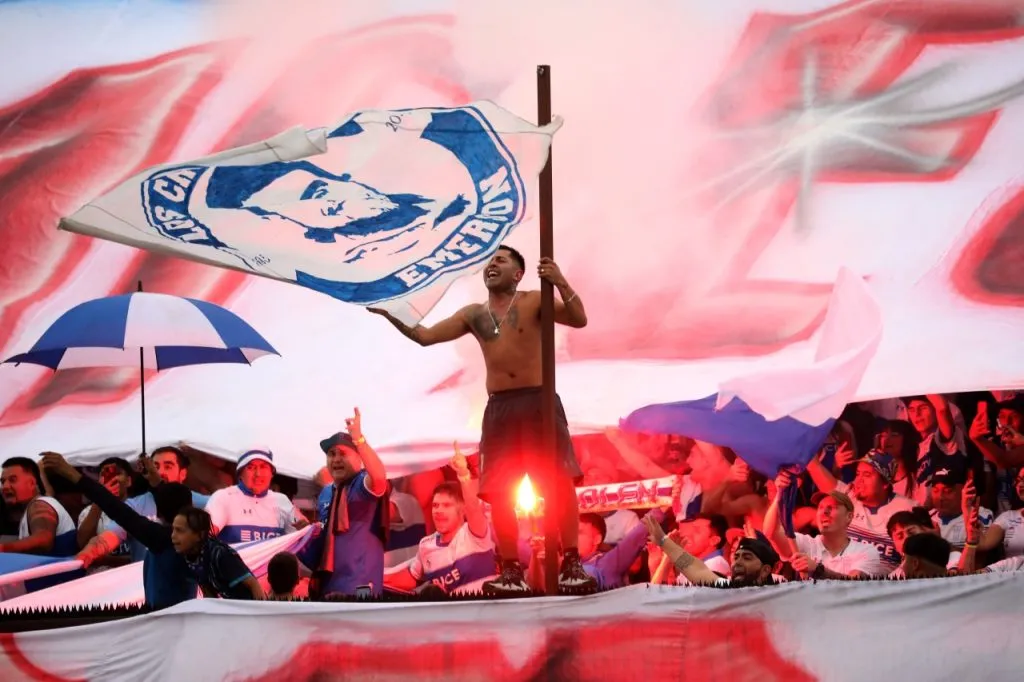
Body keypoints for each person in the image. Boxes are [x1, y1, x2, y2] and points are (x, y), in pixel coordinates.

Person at [369, 245, 595, 595]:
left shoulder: (534, 299)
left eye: (500, 260)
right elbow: (424, 336)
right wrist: (392, 311)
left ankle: (571, 563)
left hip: (538, 401)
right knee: (500, 491)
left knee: (558, 482)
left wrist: (560, 281)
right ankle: (511, 570)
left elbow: (579, 319)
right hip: (500, 409)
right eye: (490, 261)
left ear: (518, 273)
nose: (492, 265)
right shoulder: (474, 314)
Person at [40, 452, 198, 608]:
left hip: (164, 618)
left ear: (159, 513)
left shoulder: (160, 538)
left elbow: (114, 507)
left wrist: (70, 473)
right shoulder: (201, 539)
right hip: (191, 615)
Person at [384, 445, 496, 595]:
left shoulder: (475, 533)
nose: (438, 511)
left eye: (446, 505)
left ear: (462, 510)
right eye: (435, 505)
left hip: (482, 609)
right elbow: (411, 577)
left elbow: (474, 507)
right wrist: (373, 578)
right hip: (446, 611)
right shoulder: (426, 545)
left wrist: (463, 474)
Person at [302, 408, 390, 598]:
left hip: (361, 587)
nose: (336, 459)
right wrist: (305, 533)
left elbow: (379, 478)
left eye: (342, 453)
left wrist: (359, 440)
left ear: (359, 457)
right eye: (331, 454)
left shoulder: (362, 484)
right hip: (329, 588)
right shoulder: (326, 493)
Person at [645, 514, 779, 587]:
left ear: (766, 569)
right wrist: (664, 559)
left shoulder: (716, 564)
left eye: (748, 556)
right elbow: (658, 597)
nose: (737, 560)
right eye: (735, 553)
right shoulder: (724, 582)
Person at [205, 449, 307, 543]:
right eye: (251, 468)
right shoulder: (224, 497)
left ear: (271, 473)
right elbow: (204, 535)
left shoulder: (282, 500)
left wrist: (305, 530)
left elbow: (300, 539)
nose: (258, 474)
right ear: (240, 474)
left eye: (263, 467)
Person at [172, 507, 266, 600]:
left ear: (200, 535)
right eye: (173, 529)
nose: (173, 536)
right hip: (230, 605)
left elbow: (253, 584)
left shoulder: (220, 555)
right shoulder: (189, 557)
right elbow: (208, 592)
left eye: (180, 530)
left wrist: (260, 607)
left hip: (248, 604)